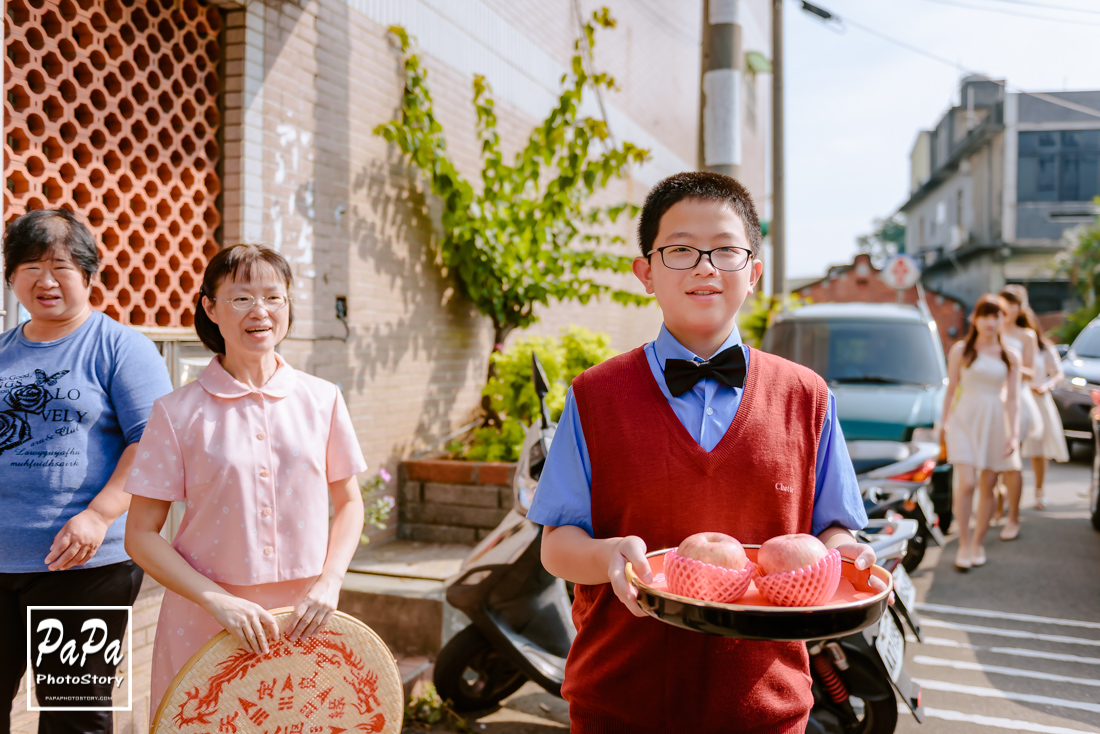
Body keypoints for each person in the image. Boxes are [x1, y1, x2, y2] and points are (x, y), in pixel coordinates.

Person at [527, 172, 879, 733]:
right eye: (680, 250)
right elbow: (557, 546)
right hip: (619, 702)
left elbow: (832, 531)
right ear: (645, 271)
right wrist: (609, 556)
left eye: (725, 250)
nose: (704, 266)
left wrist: (853, 556)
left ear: (754, 273)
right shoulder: (594, 395)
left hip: (766, 706)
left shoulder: (806, 397)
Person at [123, 244, 366, 721]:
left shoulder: (323, 399)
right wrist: (216, 601)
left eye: (274, 298)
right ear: (210, 308)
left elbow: (350, 503)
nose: (260, 311)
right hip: (205, 619)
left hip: (305, 618)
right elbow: (141, 535)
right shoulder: (176, 412)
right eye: (241, 298)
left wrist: (330, 581)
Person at [0, 209, 172, 733]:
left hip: (87, 568)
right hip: (3, 559)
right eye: (29, 267)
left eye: (61, 266)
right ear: (11, 279)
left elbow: (154, 444)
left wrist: (97, 515)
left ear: (89, 275)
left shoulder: (121, 348)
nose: (45, 280)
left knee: (72, 718)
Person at [942, 294, 1021, 571]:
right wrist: (944, 422)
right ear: (974, 318)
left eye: (996, 315)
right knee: (967, 482)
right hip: (964, 419)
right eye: (985, 315)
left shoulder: (1011, 355)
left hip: (996, 421)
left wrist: (1013, 434)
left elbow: (1013, 399)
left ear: (1004, 319)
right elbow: (951, 389)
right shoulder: (961, 350)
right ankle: (963, 543)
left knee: (988, 484)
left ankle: (977, 542)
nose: (991, 321)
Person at [996, 284, 1041, 540]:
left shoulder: (1026, 336)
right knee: (994, 460)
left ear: (1020, 308)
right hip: (992, 400)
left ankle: (1013, 517)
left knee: (1013, 461)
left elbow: (1031, 372)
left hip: (1017, 400)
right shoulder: (991, 329)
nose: (1006, 311)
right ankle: (1000, 499)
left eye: (1011, 305)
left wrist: (1006, 361)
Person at [1018, 308, 1069, 508]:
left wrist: (1047, 385)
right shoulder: (1008, 346)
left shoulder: (1044, 348)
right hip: (1017, 399)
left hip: (1038, 399)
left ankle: (1039, 492)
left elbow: (1058, 373)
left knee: (1039, 451)